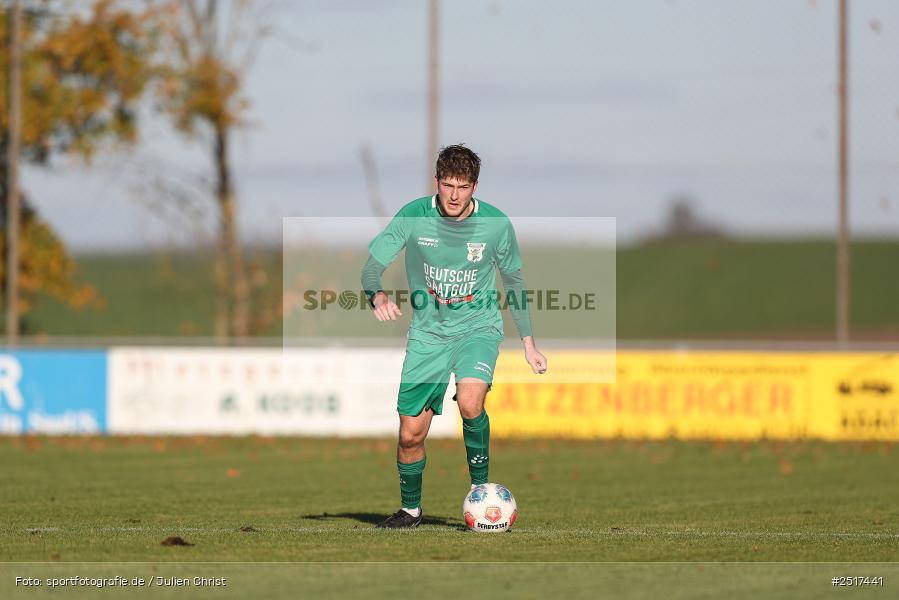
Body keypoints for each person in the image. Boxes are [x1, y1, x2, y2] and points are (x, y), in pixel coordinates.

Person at [361, 144, 547, 529]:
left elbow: (514, 281)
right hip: (428, 336)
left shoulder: (496, 224)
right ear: (437, 182)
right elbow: (371, 268)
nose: (454, 195)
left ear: (474, 186)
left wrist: (528, 342)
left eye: (463, 187)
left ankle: (481, 492)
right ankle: (410, 510)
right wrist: (376, 294)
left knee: (471, 401)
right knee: (410, 434)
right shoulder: (414, 216)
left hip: (478, 328)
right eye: (448, 185)